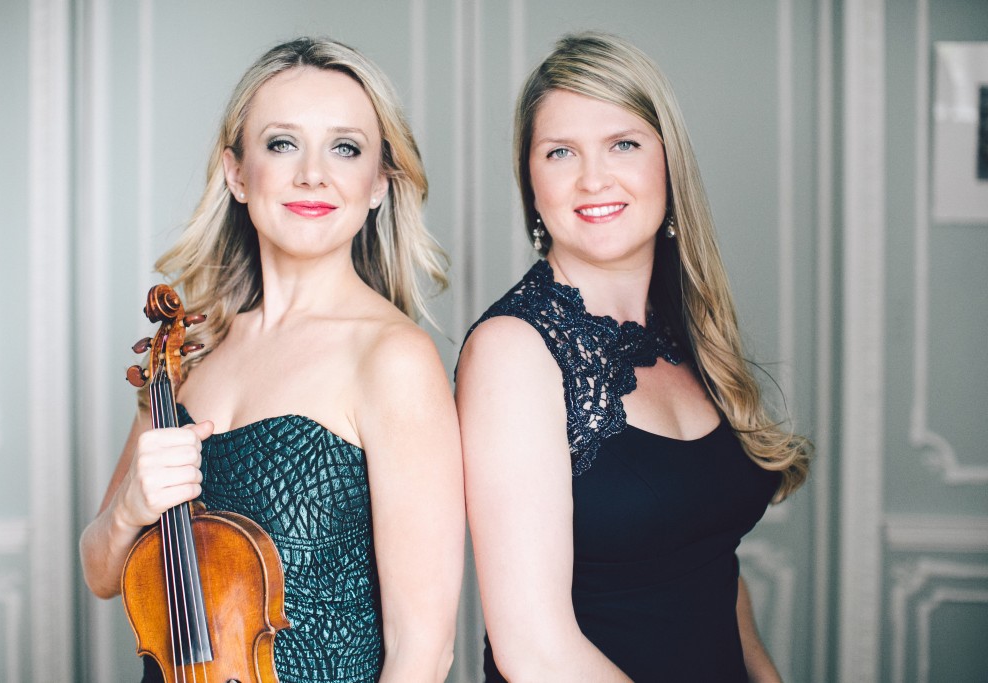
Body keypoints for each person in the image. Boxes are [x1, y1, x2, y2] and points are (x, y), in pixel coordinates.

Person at [79, 37, 465, 683]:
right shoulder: (192, 347)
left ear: (378, 185)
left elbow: (423, 651)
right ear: (235, 172)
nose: (312, 173)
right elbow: (100, 572)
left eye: (345, 147)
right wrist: (128, 509)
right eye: (282, 143)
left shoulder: (394, 357)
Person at [455, 31, 811, 682]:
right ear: (530, 180)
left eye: (623, 143)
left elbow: (711, 570)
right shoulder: (512, 351)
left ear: (667, 163)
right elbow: (535, 650)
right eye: (561, 151)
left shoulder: (686, 328)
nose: (594, 177)